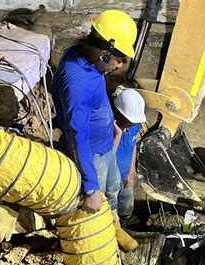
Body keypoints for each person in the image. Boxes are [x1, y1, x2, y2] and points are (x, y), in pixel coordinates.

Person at [51, 10, 138, 250]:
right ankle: (99, 242)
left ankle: (115, 228)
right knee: (95, 203)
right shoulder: (78, 83)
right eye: (119, 59)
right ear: (105, 53)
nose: (120, 65)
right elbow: (78, 136)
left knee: (111, 191)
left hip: (105, 148)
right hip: (92, 154)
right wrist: (90, 187)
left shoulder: (86, 60)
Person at [112, 88, 146, 228]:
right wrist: (118, 135)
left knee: (126, 207)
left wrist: (132, 171)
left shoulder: (134, 125)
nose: (132, 124)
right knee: (111, 212)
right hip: (111, 179)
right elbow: (106, 157)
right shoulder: (109, 127)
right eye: (130, 121)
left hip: (126, 175)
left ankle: (125, 226)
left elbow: (132, 146)